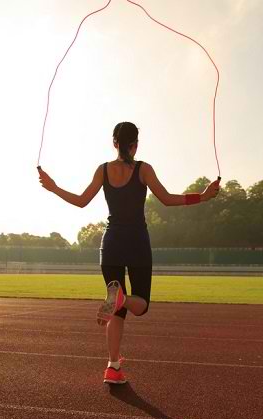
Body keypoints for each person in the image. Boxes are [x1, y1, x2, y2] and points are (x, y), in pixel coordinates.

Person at [37, 121, 220, 384]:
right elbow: (168, 199)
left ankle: (113, 367)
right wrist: (202, 197)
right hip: (137, 243)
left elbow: (81, 201)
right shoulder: (143, 169)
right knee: (141, 305)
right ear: (135, 145)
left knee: (116, 310)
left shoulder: (102, 170)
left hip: (110, 244)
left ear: (114, 143)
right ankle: (121, 300)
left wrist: (53, 187)